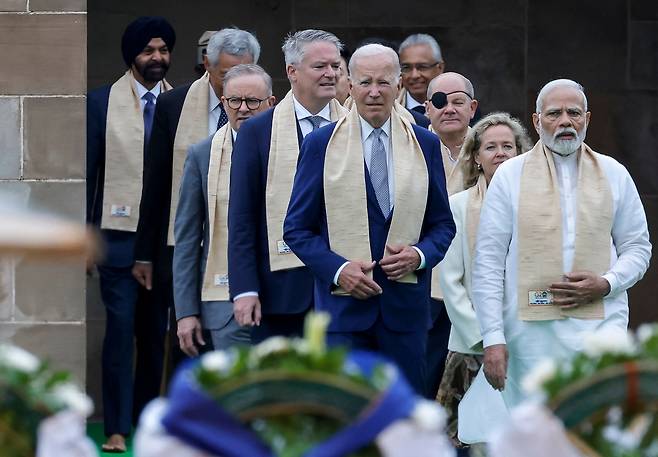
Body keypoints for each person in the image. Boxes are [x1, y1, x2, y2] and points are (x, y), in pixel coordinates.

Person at [283, 44, 456, 394]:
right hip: (343, 314)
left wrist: (419, 255)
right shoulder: (321, 144)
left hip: (404, 315)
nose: (374, 92)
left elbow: (443, 225)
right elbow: (297, 229)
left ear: (399, 86)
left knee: (404, 427)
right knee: (347, 425)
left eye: (383, 82)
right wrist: (338, 269)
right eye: (365, 82)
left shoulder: (425, 143)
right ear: (348, 84)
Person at [472, 79, 652, 408]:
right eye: (554, 113)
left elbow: (638, 248)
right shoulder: (510, 175)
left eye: (574, 112)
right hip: (528, 332)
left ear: (588, 119)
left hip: (601, 323)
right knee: (536, 432)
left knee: (596, 428)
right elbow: (488, 262)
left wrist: (607, 283)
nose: (565, 121)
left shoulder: (614, 173)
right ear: (537, 121)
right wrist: (493, 338)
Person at [131, 27, 260, 395]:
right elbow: (155, 180)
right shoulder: (175, 104)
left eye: (243, 72)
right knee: (185, 342)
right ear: (207, 64)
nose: (233, 86)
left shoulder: (267, 114)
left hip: (244, 247)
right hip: (185, 238)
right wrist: (144, 252)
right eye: (225, 75)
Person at [86, 16, 175, 453]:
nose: (156, 58)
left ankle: (146, 424)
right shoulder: (100, 103)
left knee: (155, 334)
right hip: (117, 242)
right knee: (120, 333)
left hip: (163, 244)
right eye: (148, 51)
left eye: (162, 50)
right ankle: (117, 427)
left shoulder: (182, 104)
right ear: (132, 55)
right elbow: (87, 175)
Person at [228, 29, 347, 343]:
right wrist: (244, 289)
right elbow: (241, 217)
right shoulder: (257, 131)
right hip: (279, 291)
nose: (331, 73)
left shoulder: (354, 127)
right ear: (292, 72)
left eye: (336, 66)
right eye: (320, 66)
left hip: (346, 290)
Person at [436, 112, 531, 447]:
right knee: (462, 438)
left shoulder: (535, 206)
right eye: (491, 147)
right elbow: (451, 280)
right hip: (471, 343)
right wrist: (483, 337)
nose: (501, 153)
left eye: (509, 146)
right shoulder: (458, 207)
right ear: (476, 156)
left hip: (525, 337)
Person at [173, 64, 275, 357]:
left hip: (283, 299)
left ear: (272, 103)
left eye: (252, 101)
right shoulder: (202, 154)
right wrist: (185, 312)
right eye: (234, 101)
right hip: (223, 303)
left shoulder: (292, 147)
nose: (242, 109)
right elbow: (187, 238)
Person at [424, 71, 479, 399]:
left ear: (472, 107)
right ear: (428, 108)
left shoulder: (492, 149)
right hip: (425, 284)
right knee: (425, 381)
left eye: (458, 101)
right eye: (440, 102)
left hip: (476, 287)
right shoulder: (410, 145)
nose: (449, 109)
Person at [397, 34, 444, 115]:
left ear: (440, 68)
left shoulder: (458, 108)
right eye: (407, 67)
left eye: (422, 67)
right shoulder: (389, 110)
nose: (414, 75)